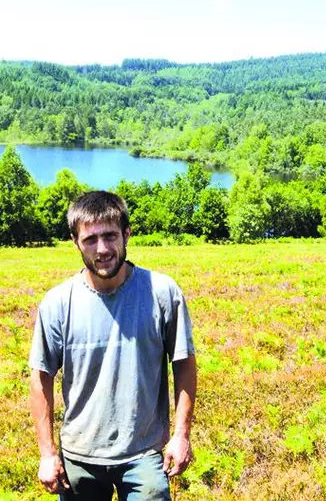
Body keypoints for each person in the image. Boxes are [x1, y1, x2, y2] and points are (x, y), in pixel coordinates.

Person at [29, 190, 197, 501]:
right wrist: (46, 453)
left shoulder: (162, 293)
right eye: (90, 239)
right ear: (75, 242)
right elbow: (41, 379)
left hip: (144, 453)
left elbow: (184, 363)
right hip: (79, 456)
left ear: (127, 234)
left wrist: (181, 435)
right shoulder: (57, 303)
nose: (102, 249)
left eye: (110, 236)